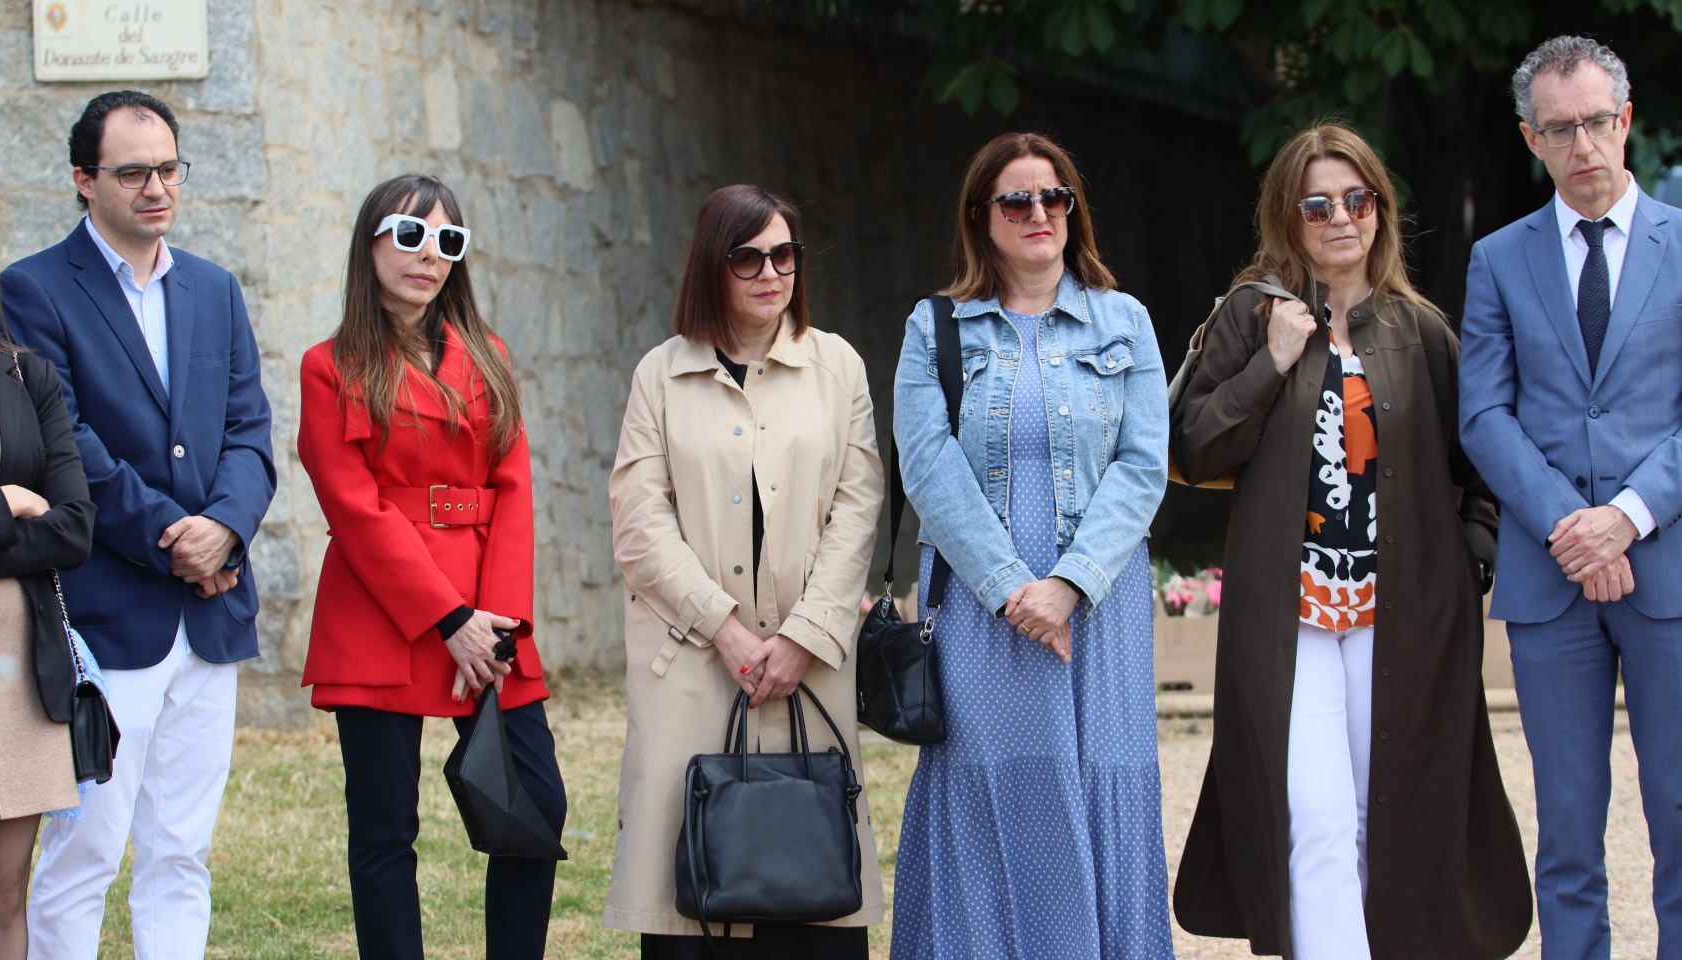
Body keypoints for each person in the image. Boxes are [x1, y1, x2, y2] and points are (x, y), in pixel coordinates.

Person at [1170, 122, 1531, 959]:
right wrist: (1270, 364)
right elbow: (1191, 447)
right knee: (1316, 816)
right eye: (1318, 203)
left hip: (1404, 615)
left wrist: (1470, 557)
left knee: (1394, 817)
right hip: (1289, 616)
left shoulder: (1424, 332)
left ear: (1381, 209)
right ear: (1287, 216)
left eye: (1357, 199)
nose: (1341, 218)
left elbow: (1478, 468)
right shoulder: (1252, 315)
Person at [0, 90, 276, 960]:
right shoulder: (31, 289)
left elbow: (248, 430)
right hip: (107, 615)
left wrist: (225, 529)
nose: (156, 188)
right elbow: (65, 444)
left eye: (168, 169)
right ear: (84, 180)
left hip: (211, 615)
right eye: (132, 173)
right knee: (84, 852)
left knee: (181, 852)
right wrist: (177, 539)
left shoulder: (214, 287)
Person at [889, 131, 1171, 958]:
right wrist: (1016, 587)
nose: (1039, 213)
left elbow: (1143, 463)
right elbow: (928, 466)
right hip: (984, 609)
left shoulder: (1125, 321)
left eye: (1055, 197)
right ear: (982, 216)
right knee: (990, 792)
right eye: (1017, 199)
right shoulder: (934, 327)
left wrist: (1070, 584)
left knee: (1101, 787)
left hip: (1100, 605)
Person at [606, 183, 884, 957]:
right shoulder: (659, 376)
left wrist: (804, 636)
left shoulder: (839, 368)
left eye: (785, 254)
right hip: (693, 663)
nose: (771, 272)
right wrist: (724, 630)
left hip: (810, 660)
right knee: (690, 893)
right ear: (712, 266)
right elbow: (639, 521)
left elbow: (857, 510)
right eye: (748, 257)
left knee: (810, 890)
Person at [296, 174, 565, 960]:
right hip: (385, 610)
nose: (429, 256)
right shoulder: (329, 365)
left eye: (448, 241)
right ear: (370, 244)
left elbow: (513, 491)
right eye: (409, 236)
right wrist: (447, 619)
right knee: (385, 831)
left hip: (492, 616)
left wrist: (498, 625)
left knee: (534, 809)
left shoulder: (491, 355)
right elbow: (353, 506)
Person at [1461, 36, 1682, 960]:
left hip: (1669, 567)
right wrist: (1570, 526)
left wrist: (1625, 517)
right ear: (1531, 138)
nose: (1584, 143)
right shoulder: (1499, 259)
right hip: (1550, 579)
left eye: (1597, 122)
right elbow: (1483, 413)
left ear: (1626, 120)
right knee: (1566, 829)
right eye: (1562, 129)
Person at [0, 200, 94, 960]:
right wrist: (0, 508)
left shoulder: (25, 373)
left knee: (0, 885)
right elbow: (32, 521)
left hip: (11, 667)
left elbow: (74, 528)